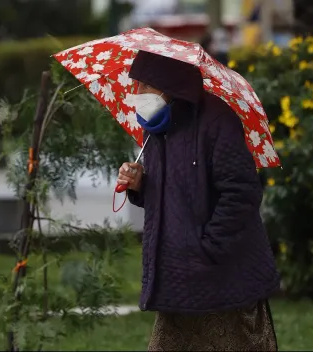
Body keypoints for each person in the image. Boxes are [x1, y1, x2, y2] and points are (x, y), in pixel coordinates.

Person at [116, 50, 280, 351]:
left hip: (224, 275)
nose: (137, 94)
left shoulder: (217, 121)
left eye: (145, 86)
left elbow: (242, 194)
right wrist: (141, 185)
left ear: (169, 85)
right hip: (178, 279)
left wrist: (208, 249)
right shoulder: (154, 129)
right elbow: (173, 197)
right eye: (136, 85)